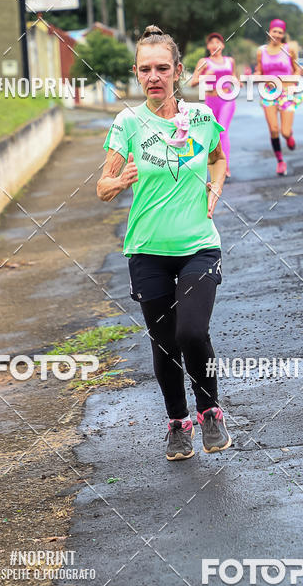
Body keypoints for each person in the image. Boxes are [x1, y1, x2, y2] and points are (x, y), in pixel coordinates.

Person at [97, 25, 232, 461]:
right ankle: (178, 423)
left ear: (178, 71)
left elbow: (217, 158)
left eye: (162, 68)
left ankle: (210, 410)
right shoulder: (128, 123)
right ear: (136, 74)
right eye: (145, 70)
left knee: (192, 332)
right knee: (164, 342)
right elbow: (102, 186)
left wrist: (215, 189)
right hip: (147, 251)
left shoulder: (200, 118)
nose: (153, 77)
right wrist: (119, 180)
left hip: (198, 245)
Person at [255, 18, 303, 176]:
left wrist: (294, 82)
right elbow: (259, 71)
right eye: (274, 31)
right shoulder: (261, 51)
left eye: (280, 32)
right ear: (269, 32)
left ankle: (289, 137)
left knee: (285, 131)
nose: (277, 34)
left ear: (283, 34)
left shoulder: (289, 49)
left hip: (287, 91)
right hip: (268, 92)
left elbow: (297, 70)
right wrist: (255, 76)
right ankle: (280, 161)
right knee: (274, 129)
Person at [188, 33, 237, 178]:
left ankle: (225, 167)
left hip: (227, 98)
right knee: (212, 134)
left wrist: (237, 81)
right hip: (211, 100)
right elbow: (192, 82)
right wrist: (205, 75)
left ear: (223, 45)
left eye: (218, 42)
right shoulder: (204, 62)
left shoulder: (230, 61)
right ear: (208, 46)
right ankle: (214, 163)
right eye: (212, 42)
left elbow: (234, 77)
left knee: (222, 131)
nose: (215, 45)